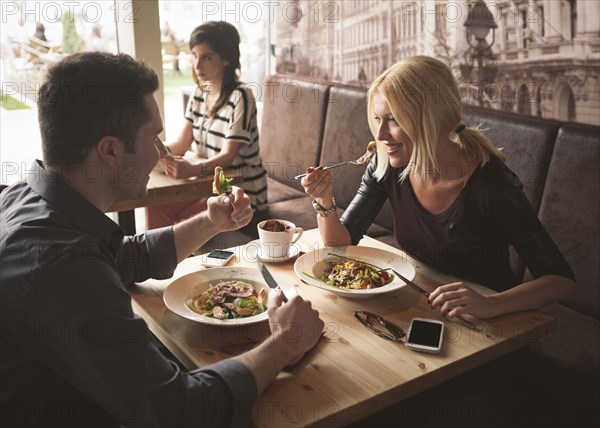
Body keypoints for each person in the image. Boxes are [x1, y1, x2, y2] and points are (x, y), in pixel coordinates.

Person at [0, 52, 323, 427]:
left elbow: (123, 257)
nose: (160, 151)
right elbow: (180, 411)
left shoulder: (26, 197)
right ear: (110, 150)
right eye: (153, 137)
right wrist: (285, 343)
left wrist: (210, 221)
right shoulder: (63, 266)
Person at [301, 56, 575, 321]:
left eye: (394, 119)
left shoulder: (490, 182)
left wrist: (493, 304)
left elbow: (560, 280)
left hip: (489, 325)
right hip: (423, 303)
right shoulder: (385, 165)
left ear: (431, 118)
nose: (380, 135)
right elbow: (339, 244)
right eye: (378, 119)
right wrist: (324, 200)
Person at [147, 21, 268, 229]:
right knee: (156, 205)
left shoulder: (242, 96)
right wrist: (154, 152)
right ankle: (158, 261)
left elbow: (228, 157)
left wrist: (192, 169)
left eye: (207, 57)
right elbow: (182, 143)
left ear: (226, 59)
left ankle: (166, 260)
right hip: (208, 186)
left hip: (242, 191)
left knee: (178, 219)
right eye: (194, 56)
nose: (197, 65)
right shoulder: (200, 93)